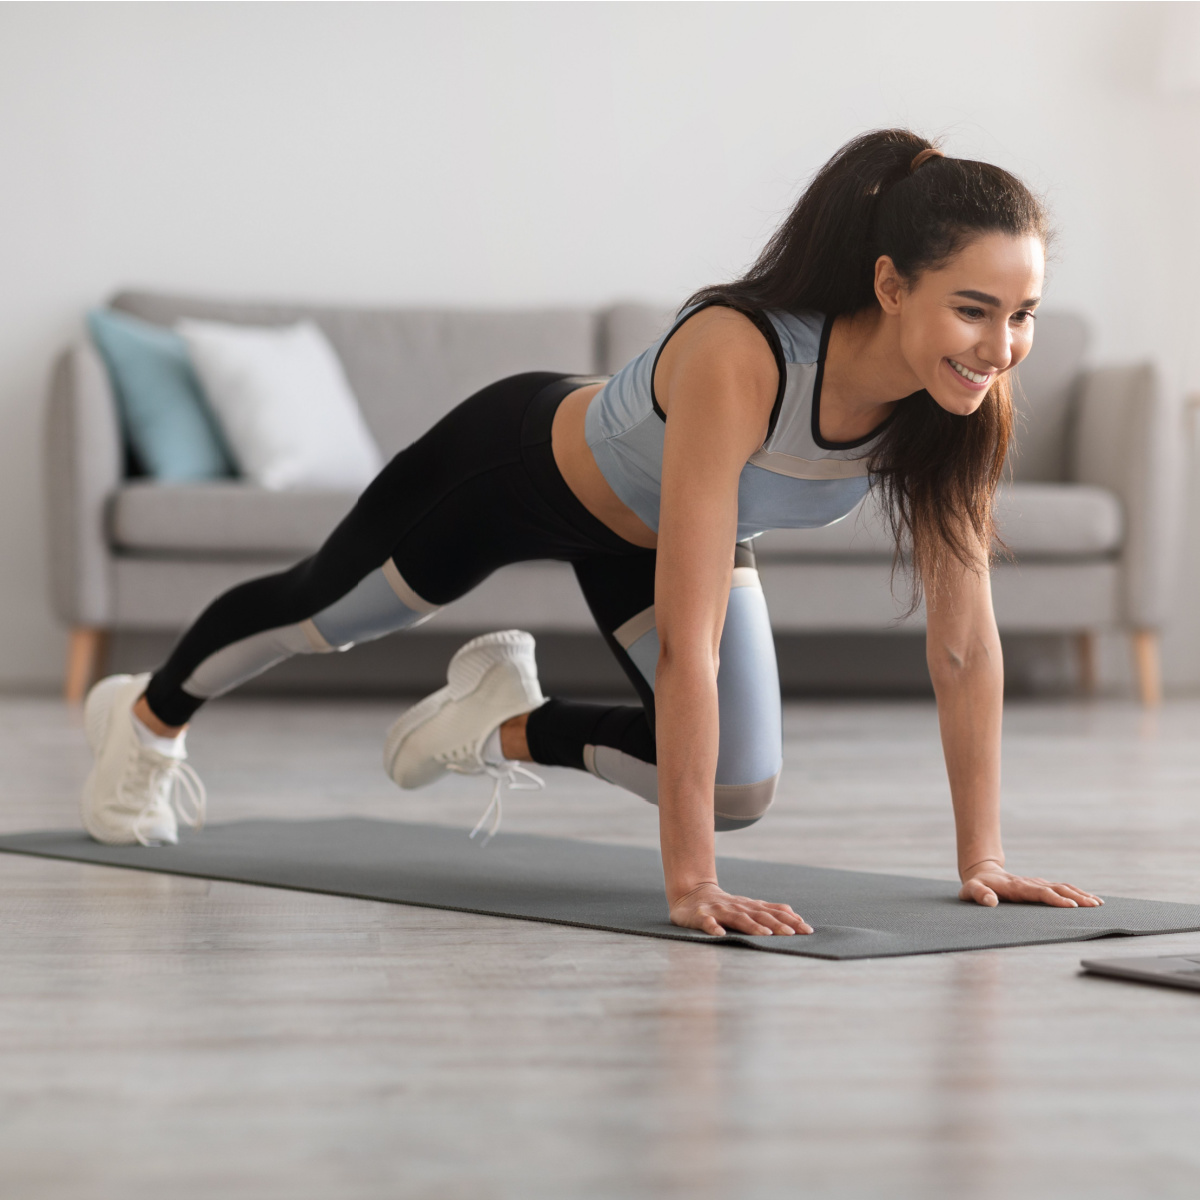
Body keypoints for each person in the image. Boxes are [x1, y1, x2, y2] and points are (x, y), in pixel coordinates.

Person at [80, 128, 1103, 937]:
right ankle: (144, 722)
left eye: (1025, 315)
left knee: (740, 786)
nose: (1002, 347)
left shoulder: (960, 408)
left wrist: (985, 860)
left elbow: (965, 643)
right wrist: (693, 882)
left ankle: (493, 720)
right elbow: (693, 641)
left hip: (664, 534)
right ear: (891, 285)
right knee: (324, 616)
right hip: (515, 471)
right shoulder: (741, 353)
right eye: (976, 309)